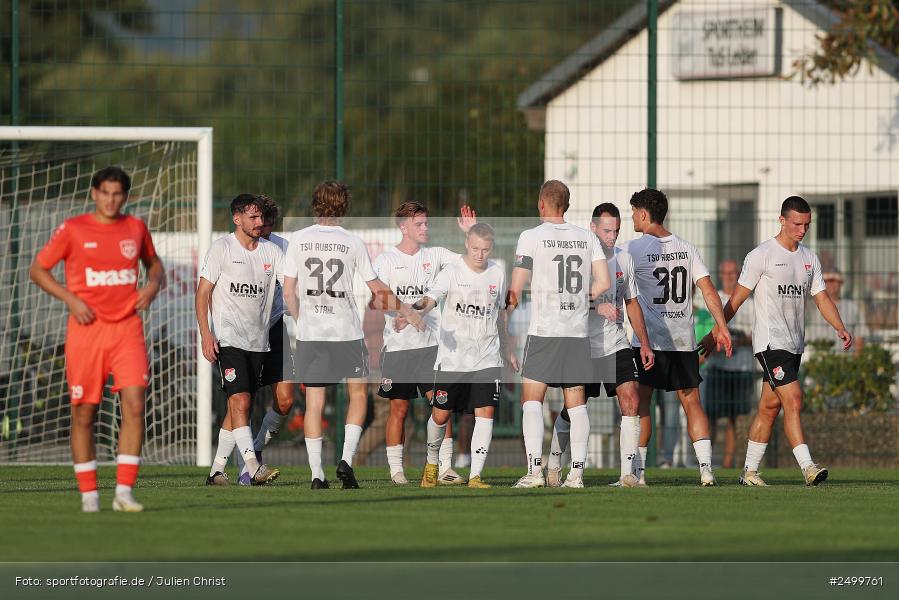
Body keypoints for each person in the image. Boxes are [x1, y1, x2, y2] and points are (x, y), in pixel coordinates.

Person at [31, 166, 165, 512]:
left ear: (126, 196)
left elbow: (154, 264)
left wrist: (151, 285)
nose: (111, 199)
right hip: (86, 333)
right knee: (84, 414)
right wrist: (71, 299)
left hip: (127, 329)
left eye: (117, 193)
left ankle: (123, 492)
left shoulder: (135, 228)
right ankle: (90, 495)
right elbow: (38, 269)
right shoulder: (74, 229)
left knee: (135, 405)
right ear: (94, 193)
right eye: (105, 192)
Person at [701, 196, 852, 487]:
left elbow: (821, 298)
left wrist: (840, 327)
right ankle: (808, 467)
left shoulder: (809, 258)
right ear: (781, 220)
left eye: (807, 224)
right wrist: (716, 331)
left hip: (794, 344)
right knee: (794, 399)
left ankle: (748, 472)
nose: (802, 229)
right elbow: (736, 300)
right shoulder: (762, 255)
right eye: (797, 223)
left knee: (769, 408)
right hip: (771, 343)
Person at [283, 181, 424, 489]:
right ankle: (346, 460)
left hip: (312, 333)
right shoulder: (352, 242)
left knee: (314, 403)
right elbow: (377, 289)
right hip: (346, 331)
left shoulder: (298, 239)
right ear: (344, 206)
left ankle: (317, 475)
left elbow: (288, 291)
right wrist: (407, 311)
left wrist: (301, 320)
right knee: (357, 395)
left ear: (315, 204)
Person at [625, 188, 732, 487]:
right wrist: (721, 326)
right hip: (683, 340)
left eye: (633, 211)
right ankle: (706, 470)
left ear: (644, 214)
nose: (632, 216)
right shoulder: (687, 247)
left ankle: (639, 473)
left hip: (650, 341)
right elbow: (709, 290)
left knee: (643, 403)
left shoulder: (633, 249)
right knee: (692, 402)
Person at [508, 180, 610, 489]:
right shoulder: (586, 238)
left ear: (541, 204)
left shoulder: (531, 237)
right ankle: (576, 475)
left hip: (546, 332)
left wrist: (503, 314)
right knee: (577, 405)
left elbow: (516, 286)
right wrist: (580, 301)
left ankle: (535, 472)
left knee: (531, 401)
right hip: (576, 332)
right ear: (566, 206)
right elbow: (603, 282)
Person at [546, 202, 654, 488]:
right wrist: (596, 305)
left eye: (616, 230)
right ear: (592, 229)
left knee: (631, 400)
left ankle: (627, 475)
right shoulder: (577, 259)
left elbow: (631, 302)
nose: (612, 236)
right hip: (581, 345)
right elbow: (564, 301)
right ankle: (555, 461)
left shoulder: (624, 259)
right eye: (606, 230)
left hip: (615, 343)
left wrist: (644, 343)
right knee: (573, 409)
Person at [372, 201, 475, 485]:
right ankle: (397, 471)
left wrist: (470, 231)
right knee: (399, 409)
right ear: (403, 227)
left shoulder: (435, 255)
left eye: (426, 223)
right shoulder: (386, 260)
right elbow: (378, 297)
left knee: (441, 406)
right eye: (419, 224)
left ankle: (445, 469)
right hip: (398, 349)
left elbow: (471, 260)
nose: (425, 228)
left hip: (432, 348)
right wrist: (405, 312)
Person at [412, 224, 518, 488]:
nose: (479, 255)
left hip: (487, 357)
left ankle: (476, 475)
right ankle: (432, 463)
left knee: (485, 413)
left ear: (490, 248)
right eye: (474, 249)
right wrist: (414, 312)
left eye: (485, 249)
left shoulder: (497, 272)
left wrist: (507, 349)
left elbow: (500, 314)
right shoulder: (452, 271)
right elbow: (432, 298)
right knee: (440, 415)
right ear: (467, 246)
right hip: (453, 358)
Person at [197, 194, 283, 488]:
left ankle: (216, 472)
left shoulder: (271, 252)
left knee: (239, 408)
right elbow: (202, 293)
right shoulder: (221, 248)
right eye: (253, 217)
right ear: (237, 219)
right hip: (228, 338)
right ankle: (252, 466)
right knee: (241, 401)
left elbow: (293, 285)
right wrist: (206, 334)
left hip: (258, 342)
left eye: (261, 218)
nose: (260, 223)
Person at [232, 197, 297, 484]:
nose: (263, 229)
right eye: (259, 222)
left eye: (268, 224)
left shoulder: (283, 249)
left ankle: (255, 450)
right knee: (242, 398)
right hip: (243, 331)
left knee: (286, 400)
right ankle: (235, 465)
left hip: (274, 328)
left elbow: (296, 289)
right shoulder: (233, 247)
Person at [704, 259, 755, 469]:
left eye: (733, 273)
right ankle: (705, 461)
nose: (729, 277)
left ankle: (727, 464)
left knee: (734, 418)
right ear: (721, 275)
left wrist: (739, 341)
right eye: (726, 273)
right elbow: (705, 329)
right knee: (712, 417)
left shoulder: (750, 303)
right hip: (718, 366)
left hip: (741, 366)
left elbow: (757, 334)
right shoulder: (714, 298)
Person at [805, 269, 868, 353]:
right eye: (827, 281)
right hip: (816, 359)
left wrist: (856, 359)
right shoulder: (810, 306)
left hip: (844, 360)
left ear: (841, 283)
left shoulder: (852, 307)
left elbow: (860, 336)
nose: (830, 284)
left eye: (834, 281)